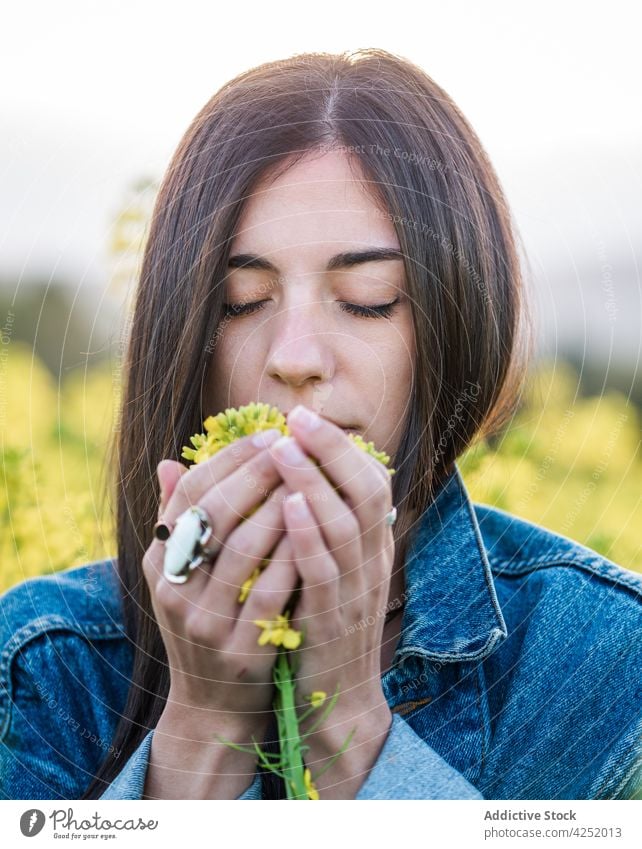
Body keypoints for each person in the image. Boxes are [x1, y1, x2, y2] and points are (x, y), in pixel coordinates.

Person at [1, 48, 640, 801]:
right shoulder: (44, 666)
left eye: (368, 296)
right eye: (241, 300)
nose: (294, 358)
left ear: (454, 326)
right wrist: (202, 732)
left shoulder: (604, 660)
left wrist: (349, 733)